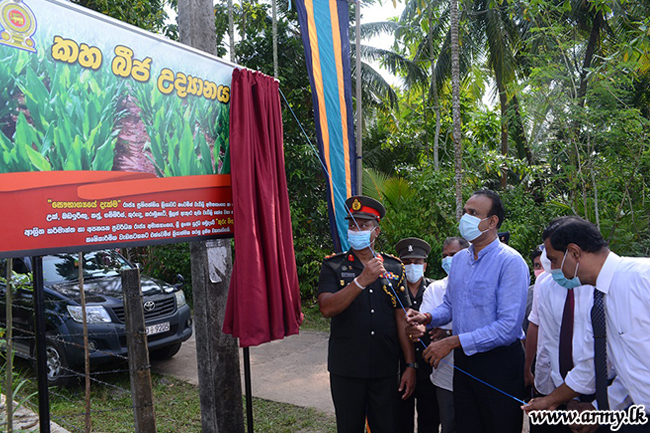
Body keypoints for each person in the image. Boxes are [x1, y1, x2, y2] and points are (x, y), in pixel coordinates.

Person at [406, 189, 529, 433]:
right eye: (465, 212)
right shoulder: (461, 260)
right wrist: (428, 317)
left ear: (492, 221)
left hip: (499, 365)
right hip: (464, 365)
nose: (466, 218)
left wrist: (452, 342)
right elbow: (451, 306)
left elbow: (508, 328)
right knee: (466, 426)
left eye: (473, 213)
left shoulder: (510, 262)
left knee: (499, 425)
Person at [523, 216, 650, 432]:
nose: (552, 269)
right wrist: (593, 406)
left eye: (554, 260)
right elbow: (600, 364)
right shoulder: (599, 300)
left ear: (574, 252)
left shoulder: (642, 277)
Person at [318, 195, 416, 433]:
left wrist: (411, 365)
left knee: (386, 427)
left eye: (364, 225)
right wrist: (361, 281)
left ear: (376, 231)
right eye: (352, 224)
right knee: (349, 427)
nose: (357, 229)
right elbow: (327, 308)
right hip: (347, 368)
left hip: (385, 368)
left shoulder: (393, 267)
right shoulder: (334, 266)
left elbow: (401, 318)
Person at [419, 236, 469, 433]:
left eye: (453, 255)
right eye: (445, 256)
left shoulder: (480, 283)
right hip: (445, 373)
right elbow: (429, 325)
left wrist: (447, 331)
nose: (449, 260)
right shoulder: (436, 288)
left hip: (476, 372)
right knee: (449, 424)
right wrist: (423, 323)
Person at [394, 237, 439, 433]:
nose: (412, 266)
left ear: (425, 265)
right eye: (407, 262)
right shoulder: (392, 292)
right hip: (399, 367)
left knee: (429, 421)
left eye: (417, 262)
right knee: (400, 420)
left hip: (430, 369)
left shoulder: (436, 290)